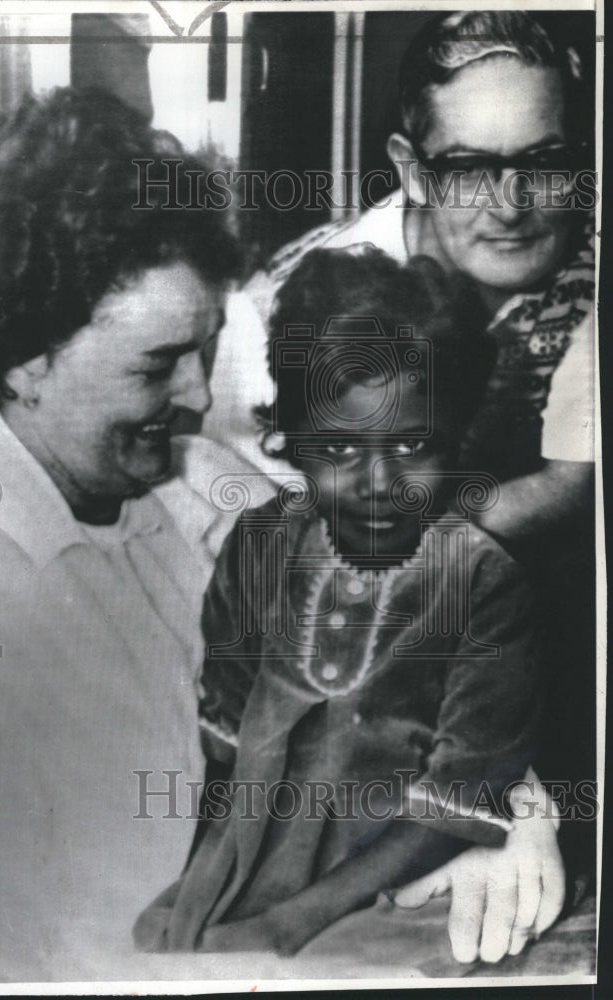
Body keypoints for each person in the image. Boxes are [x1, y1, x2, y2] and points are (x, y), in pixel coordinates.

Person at [204, 8, 595, 960]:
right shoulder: (279, 330)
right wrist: (498, 795)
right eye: (465, 167)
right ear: (410, 166)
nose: (509, 202)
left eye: (542, 161)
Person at [134, 248, 544, 958]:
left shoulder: (483, 582)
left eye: (414, 443)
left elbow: (459, 798)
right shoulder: (259, 544)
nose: (379, 480)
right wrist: (200, 886)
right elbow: (223, 746)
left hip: (397, 885)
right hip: (248, 869)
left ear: (458, 435)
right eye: (339, 449)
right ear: (291, 439)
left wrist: (290, 923)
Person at [0, 87, 275, 981]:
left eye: (206, 348)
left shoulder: (187, 483)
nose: (193, 395)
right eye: (156, 365)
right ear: (27, 359)